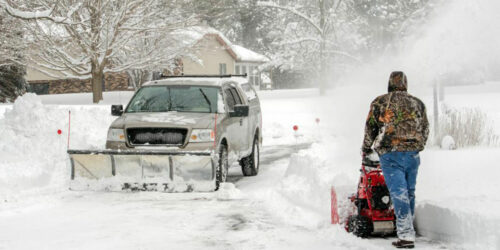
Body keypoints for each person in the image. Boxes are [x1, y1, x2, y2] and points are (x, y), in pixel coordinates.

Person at [362, 71, 429, 249]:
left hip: (391, 154)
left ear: (390, 83)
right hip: (413, 154)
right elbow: (425, 128)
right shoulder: (418, 103)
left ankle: (406, 235)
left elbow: (371, 128)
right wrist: (417, 145)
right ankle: (407, 228)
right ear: (405, 83)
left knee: (399, 193)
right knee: (409, 191)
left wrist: (366, 148)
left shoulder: (380, 102)